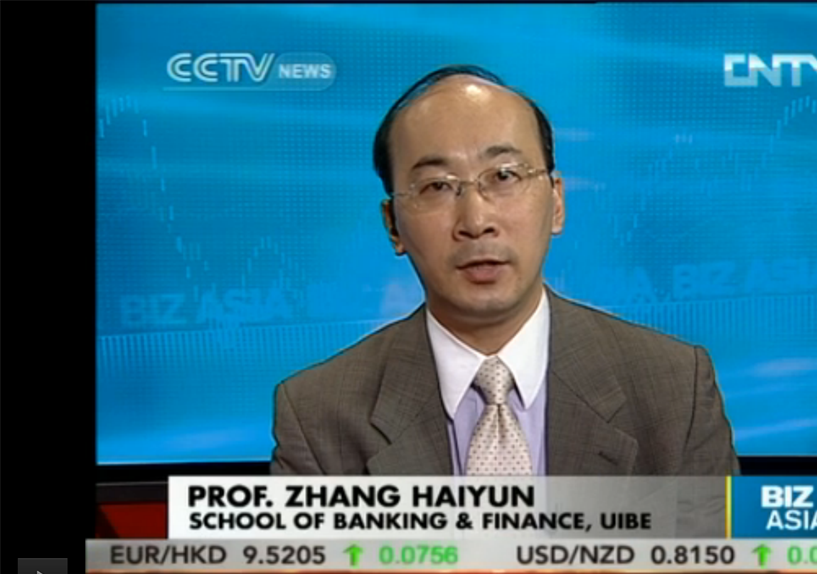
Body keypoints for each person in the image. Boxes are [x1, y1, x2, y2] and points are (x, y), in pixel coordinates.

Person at [270, 64, 740, 476]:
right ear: (393, 225)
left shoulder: (674, 390)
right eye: (436, 186)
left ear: (557, 201)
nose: (476, 221)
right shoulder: (317, 415)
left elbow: (717, 556)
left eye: (504, 176)